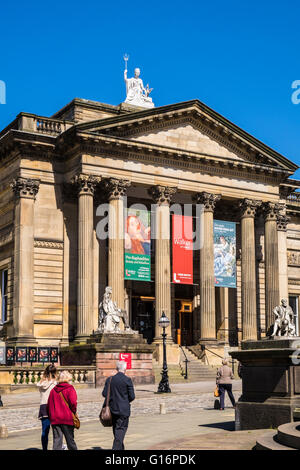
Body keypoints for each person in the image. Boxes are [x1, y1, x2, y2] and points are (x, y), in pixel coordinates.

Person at [102, 360, 135, 450]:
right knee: (120, 430)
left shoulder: (110, 379)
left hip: (112, 409)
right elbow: (132, 396)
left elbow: (104, 394)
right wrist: (124, 400)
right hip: (123, 410)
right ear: (125, 369)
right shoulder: (127, 380)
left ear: (117, 369)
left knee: (117, 431)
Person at [47, 370, 78, 450]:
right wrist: (74, 412)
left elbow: (49, 406)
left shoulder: (53, 390)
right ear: (68, 379)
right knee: (70, 441)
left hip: (55, 419)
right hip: (67, 418)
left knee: (57, 442)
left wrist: (51, 417)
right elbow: (73, 403)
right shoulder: (70, 388)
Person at [37, 364, 57, 451]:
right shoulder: (56, 383)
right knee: (56, 431)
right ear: (55, 373)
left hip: (43, 407)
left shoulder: (41, 383)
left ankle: (44, 448)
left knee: (45, 431)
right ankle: (56, 448)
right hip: (54, 407)